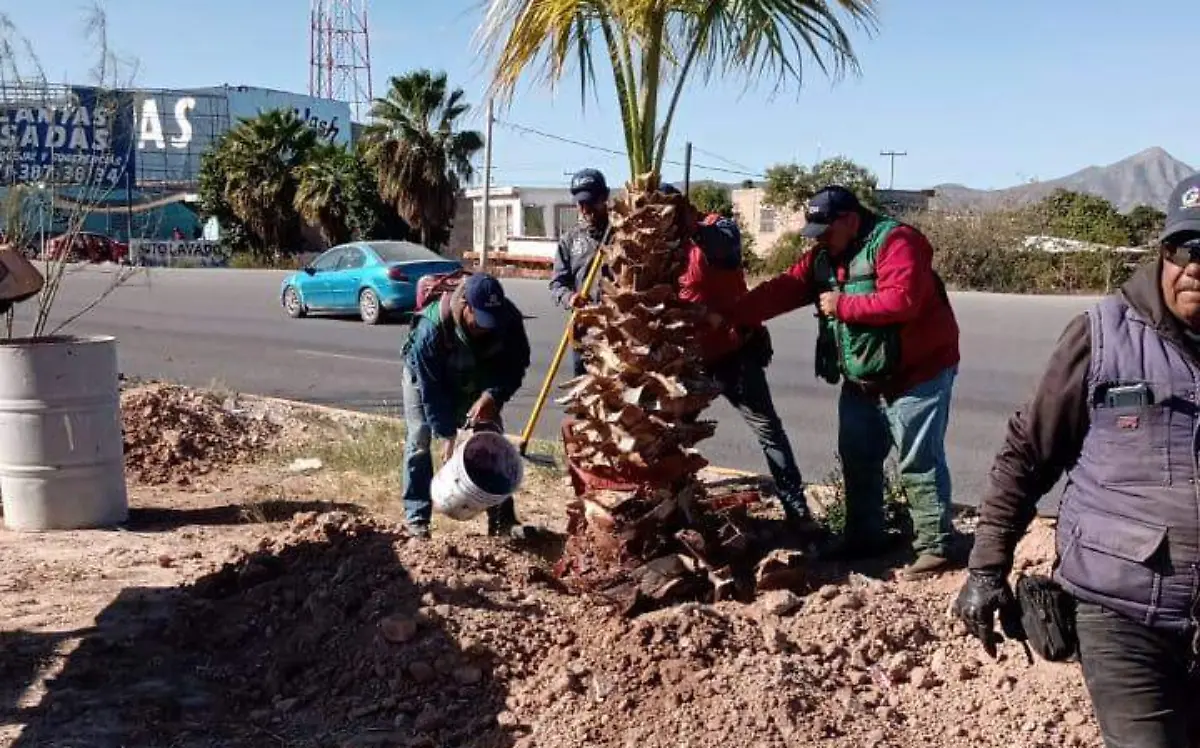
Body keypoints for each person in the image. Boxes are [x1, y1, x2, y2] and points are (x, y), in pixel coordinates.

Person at [953, 174, 1200, 748]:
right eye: (1183, 248)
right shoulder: (1102, 336)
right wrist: (986, 568)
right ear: (1163, 252)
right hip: (1122, 609)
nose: (1194, 265)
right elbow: (1026, 453)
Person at [724, 185, 961, 578]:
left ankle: (936, 547)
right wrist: (733, 315)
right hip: (862, 379)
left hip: (917, 374)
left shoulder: (899, 242)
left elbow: (904, 300)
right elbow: (784, 289)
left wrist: (842, 305)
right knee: (858, 457)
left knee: (918, 461)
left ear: (850, 221)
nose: (820, 241)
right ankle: (864, 536)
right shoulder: (823, 256)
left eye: (826, 230)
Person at [665, 184, 814, 533]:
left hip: (735, 351)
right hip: (689, 361)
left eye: (670, 215)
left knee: (768, 430)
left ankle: (797, 511)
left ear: (686, 208)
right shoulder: (666, 248)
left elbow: (723, 247)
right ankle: (671, 509)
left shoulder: (718, 229)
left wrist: (691, 226)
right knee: (670, 434)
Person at [400, 272, 532, 539]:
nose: (487, 328)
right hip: (426, 380)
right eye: (480, 321)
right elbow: (431, 389)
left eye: (492, 322)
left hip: (475, 375)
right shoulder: (431, 328)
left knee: (491, 440)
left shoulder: (508, 320)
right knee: (419, 440)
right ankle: (417, 518)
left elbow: (516, 365)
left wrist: (493, 396)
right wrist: (446, 433)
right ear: (466, 306)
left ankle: (503, 520)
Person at [549, 168, 612, 376]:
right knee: (584, 395)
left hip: (618, 332)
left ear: (605, 197)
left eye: (591, 202)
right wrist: (569, 297)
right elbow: (557, 284)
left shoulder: (623, 235)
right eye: (580, 203)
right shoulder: (570, 240)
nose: (585, 209)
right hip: (583, 330)